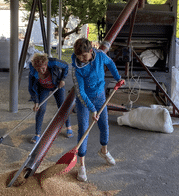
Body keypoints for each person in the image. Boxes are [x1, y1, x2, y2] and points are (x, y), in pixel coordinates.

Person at [71, 38, 125, 182]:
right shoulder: (77, 68)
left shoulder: (100, 55)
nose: (81, 60)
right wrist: (92, 109)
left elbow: (110, 63)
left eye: (84, 56)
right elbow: (80, 92)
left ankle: (104, 151)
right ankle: (81, 165)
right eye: (78, 57)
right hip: (84, 101)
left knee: (104, 125)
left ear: (91, 51)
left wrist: (118, 78)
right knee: (83, 130)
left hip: (100, 96)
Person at [28, 53, 72, 143]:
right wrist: (36, 101)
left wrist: (63, 79)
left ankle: (68, 127)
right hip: (43, 87)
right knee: (41, 108)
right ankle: (37, 134)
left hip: (57, 85)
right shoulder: (33, 72)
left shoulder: (54, 62)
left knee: (62, 106)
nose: (41, 71)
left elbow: (66, 66)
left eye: (43, 68)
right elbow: (32, 87)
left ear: (46, 64)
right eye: (38, 69)